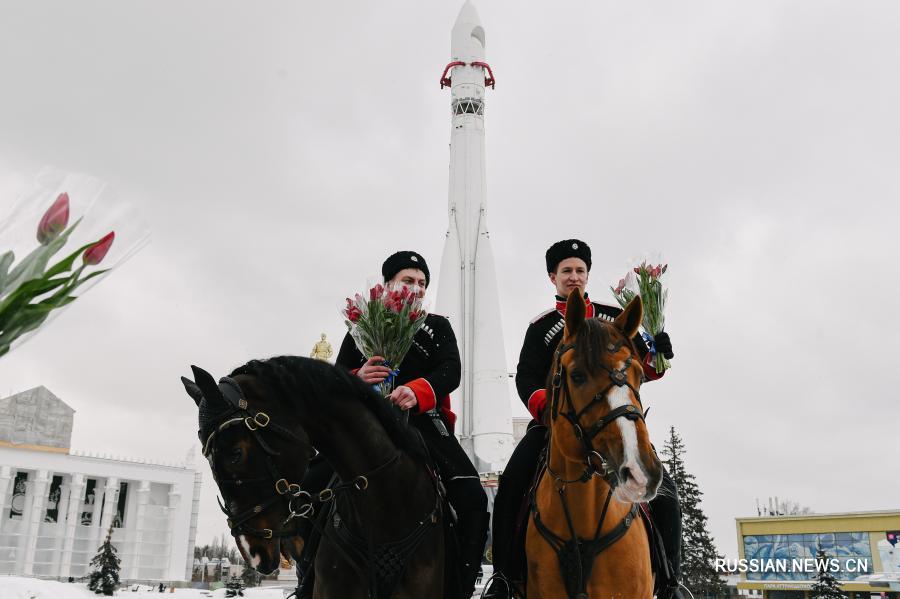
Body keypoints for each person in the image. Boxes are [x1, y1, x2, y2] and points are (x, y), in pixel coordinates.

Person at [485, 239, 683, 599]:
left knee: (665, 493)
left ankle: (671, 582)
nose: (574, 277)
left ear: (587, 274)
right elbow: (526, 377)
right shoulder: (541, 326)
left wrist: (658, 355)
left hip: (611, 425)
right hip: (554, 427)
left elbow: (639, 369)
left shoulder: (613, 317)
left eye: (579, 270)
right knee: (512, 480)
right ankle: (504, 578)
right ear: (553, 277)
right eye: (566, 271)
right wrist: (548, 410)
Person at [300, 250, 489, 597]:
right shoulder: (360, 326)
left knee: (472, 495)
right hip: (364, 426)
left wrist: (416, 391)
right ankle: (306, 578)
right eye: (407, 280)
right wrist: (359, 377)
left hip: (423, 425)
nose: (415, 288)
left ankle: (460, 585)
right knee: (308, 487)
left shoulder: (436, 326)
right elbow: (336, 379)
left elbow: (451, 370)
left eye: (421, 283)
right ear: (387, 285)